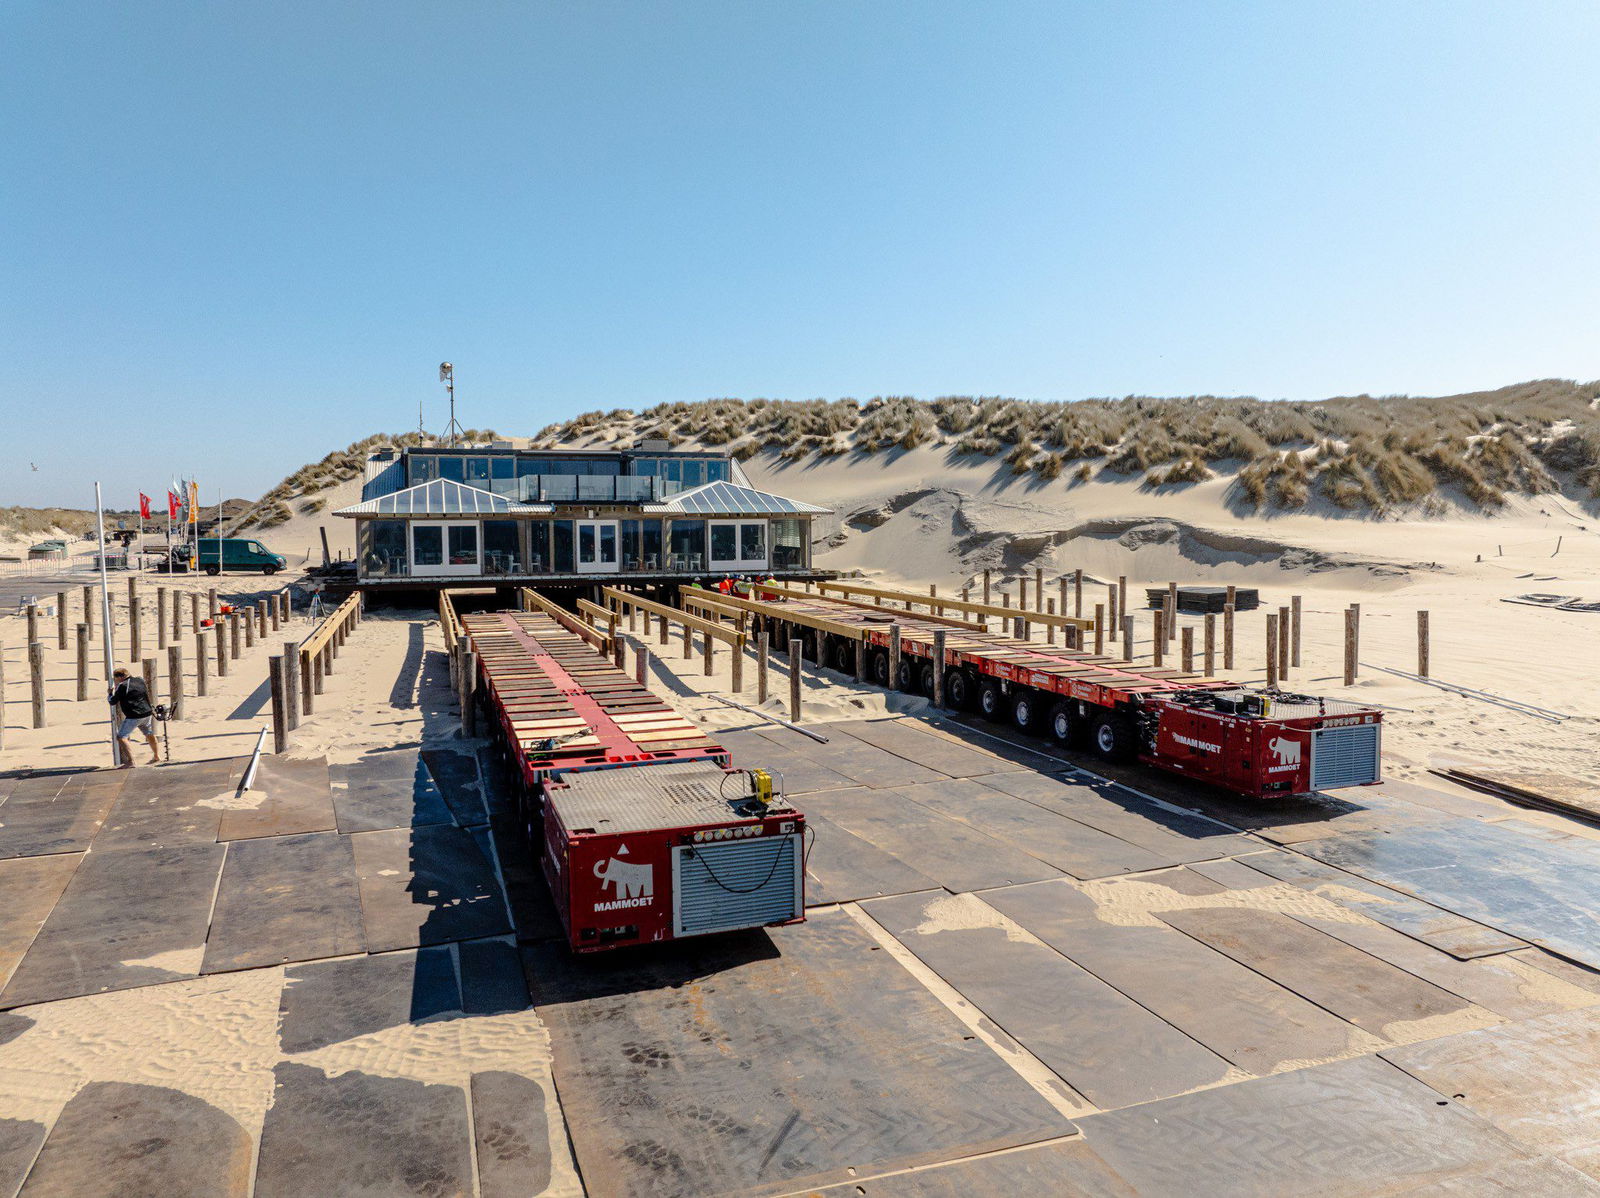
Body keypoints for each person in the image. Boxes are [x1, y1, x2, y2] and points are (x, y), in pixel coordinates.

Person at [108, 667, 161, 767]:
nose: (115, 680)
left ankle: (131, 761)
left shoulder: (123, 685)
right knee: (149, 734)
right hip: (147, 712)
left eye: (115, 678)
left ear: (120, 677)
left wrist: (110, 693)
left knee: (121, 737)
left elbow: (112, 701)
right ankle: (156, 756)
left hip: (134, 715)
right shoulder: (140, 680)